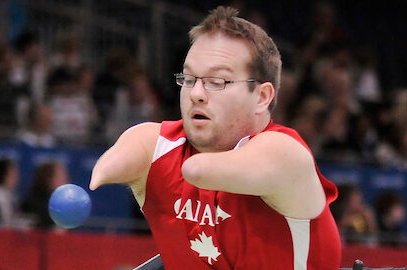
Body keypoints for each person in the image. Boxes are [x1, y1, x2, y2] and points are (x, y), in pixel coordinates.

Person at [88, 6, 340, 269]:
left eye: (217, 81)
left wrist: (164, 169)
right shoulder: (159, 145)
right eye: (188, 78)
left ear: (262, 97)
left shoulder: (287, 155)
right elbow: (124, 153)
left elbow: (197, 169)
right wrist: (107, 172)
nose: (196, 93)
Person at [20, 161, 69, 229]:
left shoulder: (63, 203)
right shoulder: (35, 203)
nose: (66, 180)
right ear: (48, 179)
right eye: (61, 176)